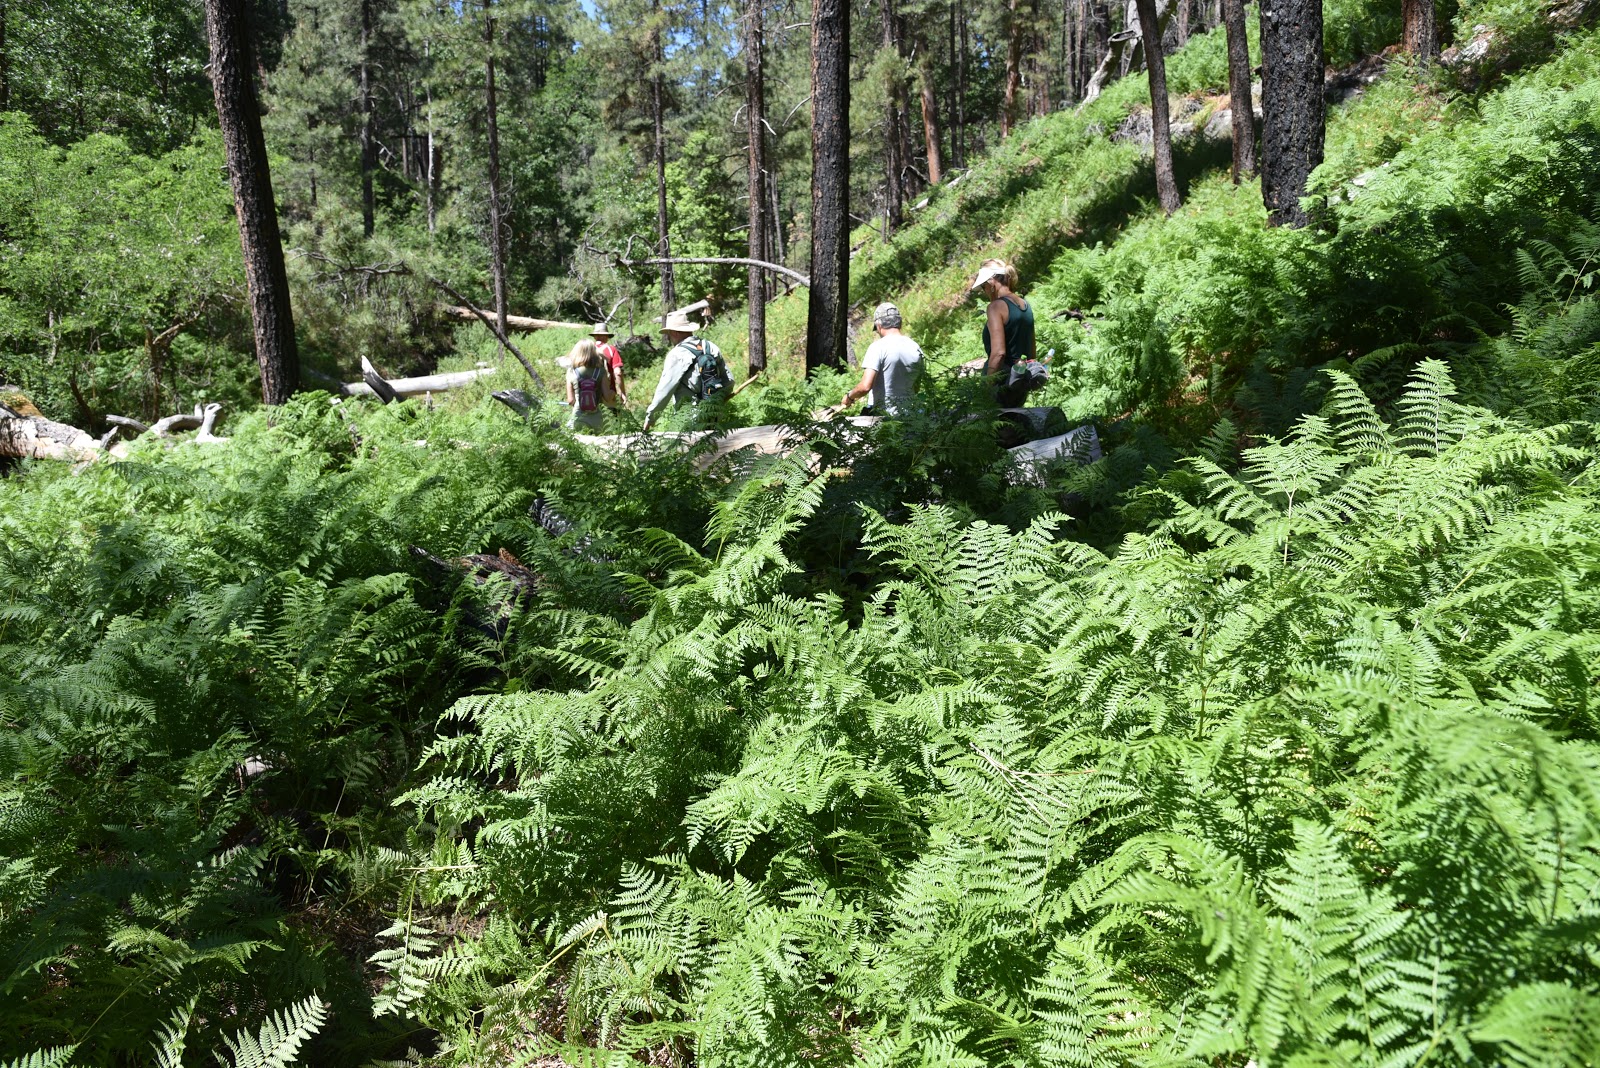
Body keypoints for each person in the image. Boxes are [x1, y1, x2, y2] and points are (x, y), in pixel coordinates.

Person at [642, 311, 731, 432]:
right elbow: (729, 381)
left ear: (675, 332)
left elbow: (665, 389)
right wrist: (717, 401)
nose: (669, 336)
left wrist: (651, 418)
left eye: (669, 333)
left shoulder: (677, 354)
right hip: (714, 413)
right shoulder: (710, 346)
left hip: (690, 419)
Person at [970, 258, 1038, 407]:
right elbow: (1032, 353)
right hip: (1020, 380)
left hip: (1001, 382)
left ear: (991, 283)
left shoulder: (995, 307)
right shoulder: (1025, 305)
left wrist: (986, 387)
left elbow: (999, 353)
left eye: (983, 287)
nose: (984, 291)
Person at [840, 302, 924, 415]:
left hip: (883, 416)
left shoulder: (878, 347)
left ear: (879, 326)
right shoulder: (915, 347)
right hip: (910, 415)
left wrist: (849, 396)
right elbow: (916, 387)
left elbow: (865, 387)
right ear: (900, 323)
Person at [564, 338, 614, 431]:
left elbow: (570, 400)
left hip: (579, 415)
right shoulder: (601, 371)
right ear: (594, 352)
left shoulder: (571, 371)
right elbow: (607, 397)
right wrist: (613, 391)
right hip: (597, 417)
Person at [591, 323, 627, 405]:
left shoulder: (586, 349)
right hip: (607, 394)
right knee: (610, 416)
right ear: (606, 336)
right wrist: (622, 393)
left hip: (587, 394)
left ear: (595, 336)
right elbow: (618, 373)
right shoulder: (611, 349)